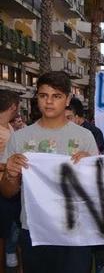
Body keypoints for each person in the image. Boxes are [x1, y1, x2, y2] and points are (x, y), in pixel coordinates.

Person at [0, 71, 98, 273]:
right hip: (35, 231)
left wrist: (90, 169)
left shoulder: (85, 137)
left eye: (57, 96)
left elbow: (97, 189)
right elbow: (8, 192)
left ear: (68, 99)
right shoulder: (20, 138)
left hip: (75, 231)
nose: (49, 102)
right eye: (44, 95)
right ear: (37, 98)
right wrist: (10, 175)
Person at [0, 90, 20, 272]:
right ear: (13, 106)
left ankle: (11, 255)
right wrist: (9, 165)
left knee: (14, 226)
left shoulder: (10, 128)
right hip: (2, 188)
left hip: (14, 186)